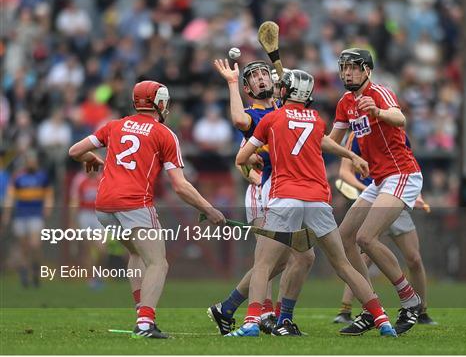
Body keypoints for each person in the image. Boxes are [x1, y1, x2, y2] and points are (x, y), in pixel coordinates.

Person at [234, 69, 397, 338]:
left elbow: (242, 157)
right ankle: (382, 319)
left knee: (263, 264)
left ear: (285, 91)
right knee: (343, 265)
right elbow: (323, 143)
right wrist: (352, 156)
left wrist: (250, 159)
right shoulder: (316, 119)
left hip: (284, 197)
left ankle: (251, 322)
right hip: (318, 200)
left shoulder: (272, 118)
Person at [68, 80, 225, 339]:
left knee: (136, 255)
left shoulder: (114, 125)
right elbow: (180, 185)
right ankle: (145, 323)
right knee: (158, 263)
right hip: (134, 204)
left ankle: (141, 314)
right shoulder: (164, 133)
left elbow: (75, 151)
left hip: (104, 206)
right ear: (160, 104)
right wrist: (209, 209)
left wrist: (92, 158)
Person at [208, 59, 315, 335]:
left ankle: (229, 308)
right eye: (254, 77)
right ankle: (265, 313)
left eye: (264, 73)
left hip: (291, 189)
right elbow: (241, 159)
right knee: (268, 258)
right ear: (247, 88)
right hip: (264, 190)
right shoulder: (251, 115)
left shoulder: (283, 109)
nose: (261, 79)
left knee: (294, 258)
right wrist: (232, 83)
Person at [328, 48, 424, 335]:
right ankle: (372, 308)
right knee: (344, 237)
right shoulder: (345, 102)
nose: (347, 73)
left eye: (354, 68)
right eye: (344, 68)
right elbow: (332, 141)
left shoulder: (379, 92)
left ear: (367, 70)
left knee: (365, 238)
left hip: (402, 173)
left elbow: (399, 118)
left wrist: (379, 111)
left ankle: (410, 300)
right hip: (379, 180)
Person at [334, 133, 437, 332]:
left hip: (395, 190)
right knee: (359, 245)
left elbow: (407, 161)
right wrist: (366, 189)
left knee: (413, 258)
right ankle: (361, 309)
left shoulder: (388, 123)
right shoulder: (356, 129)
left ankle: (419, 309)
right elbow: (344, 170)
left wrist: (418, 195)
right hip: (376, 189)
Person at [2, 151, 53, 288]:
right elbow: (10, 196)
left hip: (36, 215)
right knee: (23, 247)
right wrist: (7, 213)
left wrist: (47, 208)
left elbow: (48, 195)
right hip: (21, 215)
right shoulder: (18, 178)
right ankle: (24, 274)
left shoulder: (42, 177)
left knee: (35, 245)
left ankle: (36, 271)